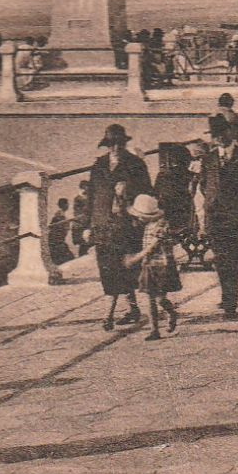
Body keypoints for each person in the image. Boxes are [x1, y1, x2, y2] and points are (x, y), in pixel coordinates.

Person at [89, 123, 152, 329]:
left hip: (127, 225)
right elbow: (91, 197)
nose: (115, 148)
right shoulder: (98, 166)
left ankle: (111, 314)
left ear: (124, 144)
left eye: (119, 144)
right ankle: (132, 309)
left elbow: (147, 193)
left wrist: (129, 187)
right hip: (102, 225)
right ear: (107, 146)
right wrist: (85, 225)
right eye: (111, 144)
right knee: (107, 268)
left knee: (125, 267)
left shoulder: (136, 164)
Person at [200, 114, 238, 318]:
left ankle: (230, 301)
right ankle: (227, 297)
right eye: (214, 135)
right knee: (219, 258)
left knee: (233, 258)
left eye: (220, 133)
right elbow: (203, 185)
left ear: (228, 132)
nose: (217, 138)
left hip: (235, 216)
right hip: (214, 217)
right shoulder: (208, 159)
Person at [125, 194, 181, 341]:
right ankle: (154, 330)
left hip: (162, 266)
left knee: (159, 298)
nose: (138, 219)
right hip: (149, 265)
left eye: (140, 216)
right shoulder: (149, 225)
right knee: (150, 298)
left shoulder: (161, 226)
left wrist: (134, 259)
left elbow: (151, 247)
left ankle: (171, 312)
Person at [47, 198, 75, 266]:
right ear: (64, 205)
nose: (68, 205)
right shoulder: (60, 216)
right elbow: (58, 229)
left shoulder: (60, 215)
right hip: (57, 242)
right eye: (67, 204)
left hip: (58, 241)